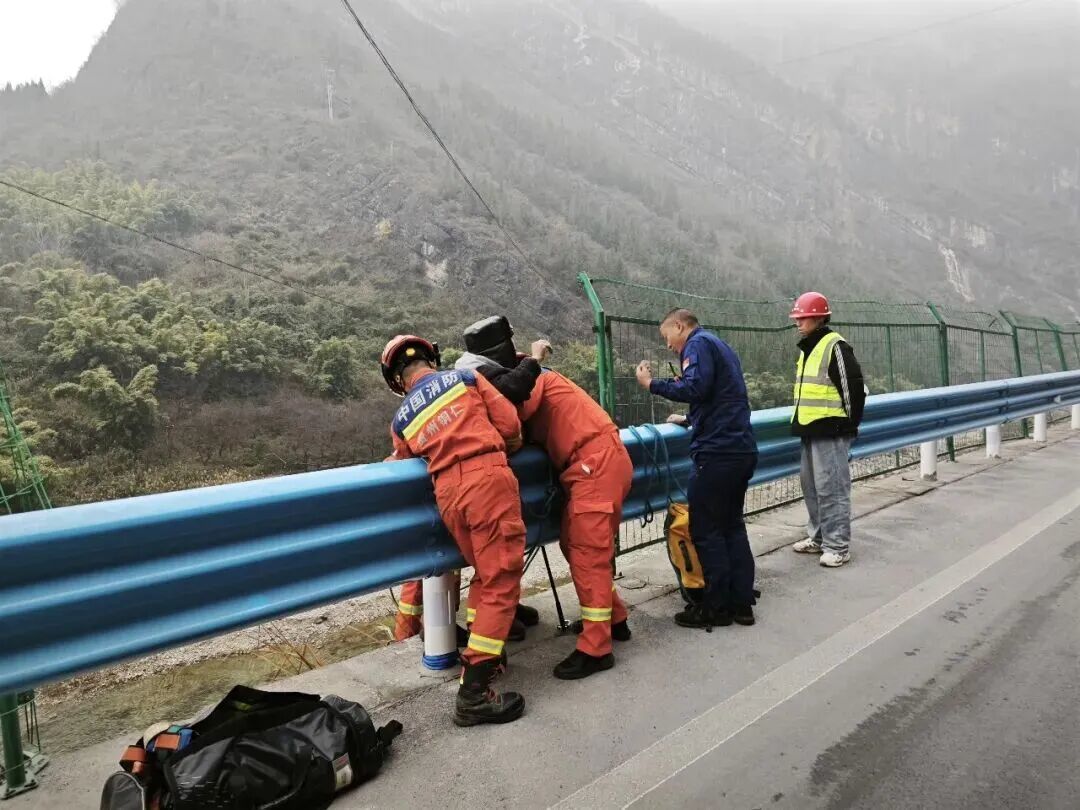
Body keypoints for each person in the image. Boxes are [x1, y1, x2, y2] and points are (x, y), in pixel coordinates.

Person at [458, 315, 633, 681]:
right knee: (579, 546)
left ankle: (596, 648)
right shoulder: (534, 375)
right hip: (595, 462)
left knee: (587, 553)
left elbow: (510, 420)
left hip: (593, 464)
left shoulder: (532, 381)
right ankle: (615, 619)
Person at [381, 334, 527, 726]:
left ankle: (488, 656)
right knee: (500, 579)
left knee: (487, 573)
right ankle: (473, 693)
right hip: (487, 480)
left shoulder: (402, 419)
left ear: (396, 380)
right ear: (431, 359)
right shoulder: (464, 379)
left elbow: (401, 463)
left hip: (447, 494)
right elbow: (510, 425)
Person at [636, 308, 758, 629]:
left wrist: (651, 384)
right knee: (732, 525)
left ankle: (715, 608)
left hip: (715, 454)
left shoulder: (697, 344)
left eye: (667, 337)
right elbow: (723, 396)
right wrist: (691, 418)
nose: (668, 345)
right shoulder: (719, 345)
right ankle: (742, 603)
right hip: (740, 449)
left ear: (679, 326)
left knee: (706, 530)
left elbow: (696, 389)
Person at [787, 292, 866, 568]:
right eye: (797, 318)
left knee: (832, 489)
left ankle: (838, 546)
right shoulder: (808, 348)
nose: (798, 322)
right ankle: (819, 538)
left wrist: (849, 427)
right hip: (810, 428)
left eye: (803, 317)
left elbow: (853, 388)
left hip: (831, 430)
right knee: (812, 488)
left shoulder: (835, 346)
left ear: (819, 318)